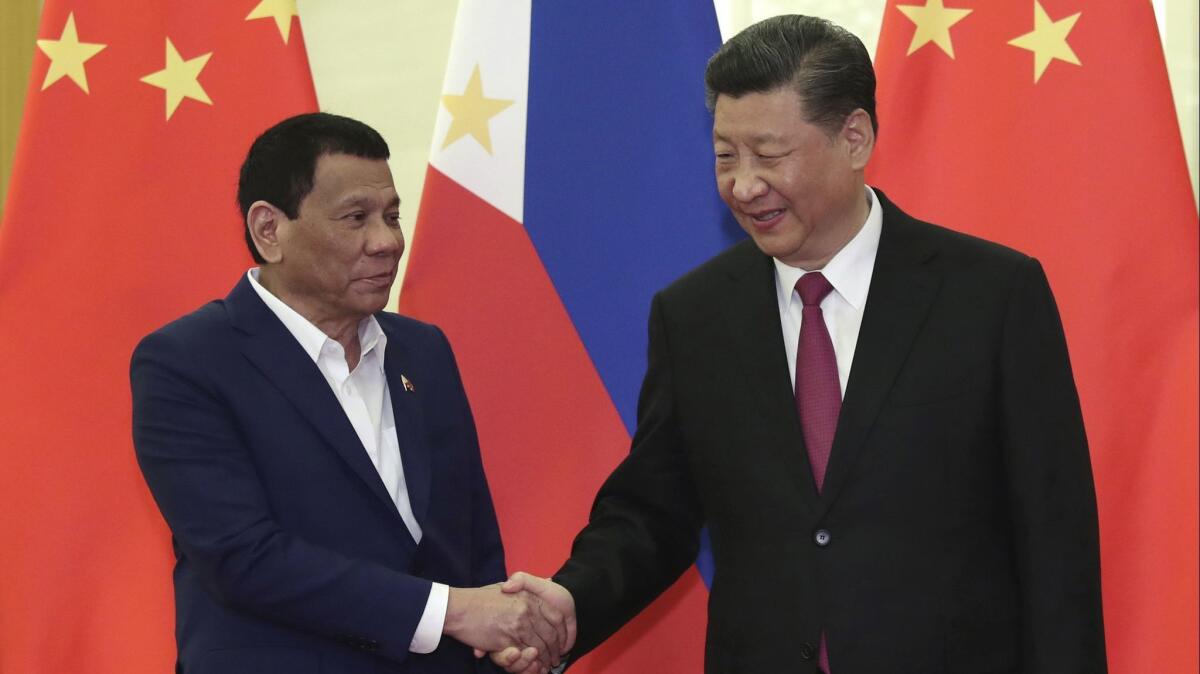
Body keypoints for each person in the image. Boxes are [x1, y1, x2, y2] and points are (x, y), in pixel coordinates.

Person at [493, 14, 1107, 674]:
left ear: (855, 137)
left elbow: (1055, 542)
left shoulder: (991, 296)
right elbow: (652, 511)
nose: (744, 185)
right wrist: (570, 603)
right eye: (726, 156)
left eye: (770, 154)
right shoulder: (695, 314)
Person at [131, 112, 569, 674]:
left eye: (392, 215)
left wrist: (508, 640)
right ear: (269, 230)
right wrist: (453, 612)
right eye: (355, 218)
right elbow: (244, 558)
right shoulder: (188, 361)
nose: (387, 242)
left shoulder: (424, 350)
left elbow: (471, 545)